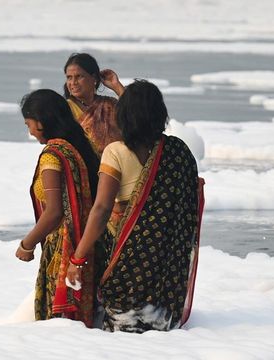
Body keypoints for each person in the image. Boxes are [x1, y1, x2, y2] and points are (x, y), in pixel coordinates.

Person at [66, 80, 202, 333]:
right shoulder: (178, 151)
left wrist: (78, 257)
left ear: (123, 115)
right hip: (168, 259)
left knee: (124, 331)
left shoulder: (116, 151)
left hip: (127, 252)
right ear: (160, 114)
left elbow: (102, 208)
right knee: (157, 333)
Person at [15, 89, 100, 327]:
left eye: (28, 124)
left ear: (41, 122)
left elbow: (53, 212)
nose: (29, 131)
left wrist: (27, 244)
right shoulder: (78, 147)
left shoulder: (52, 156)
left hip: (63, 248)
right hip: (86, 243)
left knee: (57, 323)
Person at [63, 52, 124, 156]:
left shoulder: (110, 105)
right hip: (81, 169)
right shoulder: (64, 108)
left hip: (115, 167)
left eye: (79, 76)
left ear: (94, 78)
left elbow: (136, 119)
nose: (73, 82)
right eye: (69, 77)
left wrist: (117, 87)